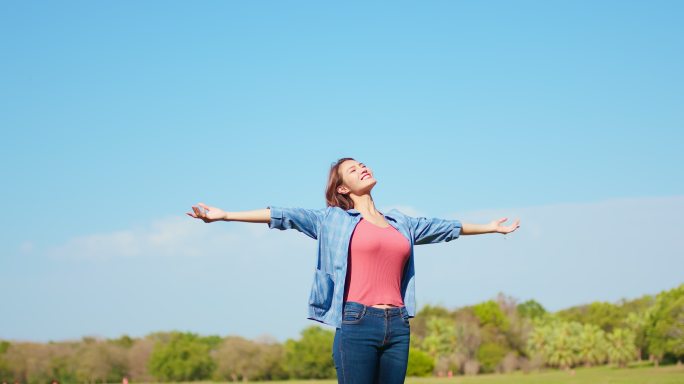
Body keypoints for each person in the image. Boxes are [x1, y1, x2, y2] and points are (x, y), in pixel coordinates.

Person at [187, 157, 520, 384]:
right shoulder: (331, 220)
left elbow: (443, 227)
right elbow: (281, 214)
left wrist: (490, 228)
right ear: (342, 188)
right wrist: (225, 215)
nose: (361, 167)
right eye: (352, 169)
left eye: (362, 163)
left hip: (399, 325)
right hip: (356, 322)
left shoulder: (401, 223)